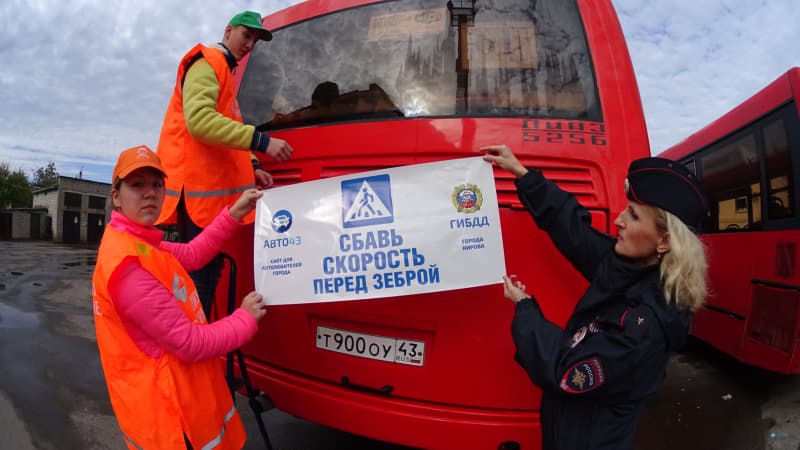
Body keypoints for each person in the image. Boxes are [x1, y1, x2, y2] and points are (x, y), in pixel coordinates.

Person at [480, 145, 708, 450]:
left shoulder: (646, 327)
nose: (619, 220)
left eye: (633, 216)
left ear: (665, 241)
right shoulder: (630, 267)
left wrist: (525, 308)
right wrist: (521, 173)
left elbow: (564, 371)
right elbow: (574, 231)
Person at [92, 145, 268, 450]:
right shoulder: (127, 266)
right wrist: (245, 319)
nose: (150, 193)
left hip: (177, 405)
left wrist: (234, 213)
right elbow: (189, 343)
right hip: (172, 420)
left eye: (157, 184)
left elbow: (193, 254)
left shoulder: (140, 242)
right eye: (137, 185)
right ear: (116, 197)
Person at [156, 10, 294, 318]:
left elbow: (229, 129)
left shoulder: (225, 74)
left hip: (206, 196)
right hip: (196, 195)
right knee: (200, 281)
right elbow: (200, 121)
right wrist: (261, 141)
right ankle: (194, 344)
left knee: (205, 277)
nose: (250, 44)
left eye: (255, 40)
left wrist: (254, 165)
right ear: (228, 31)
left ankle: (195, 339)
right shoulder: (208, 62)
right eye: (246, 35)